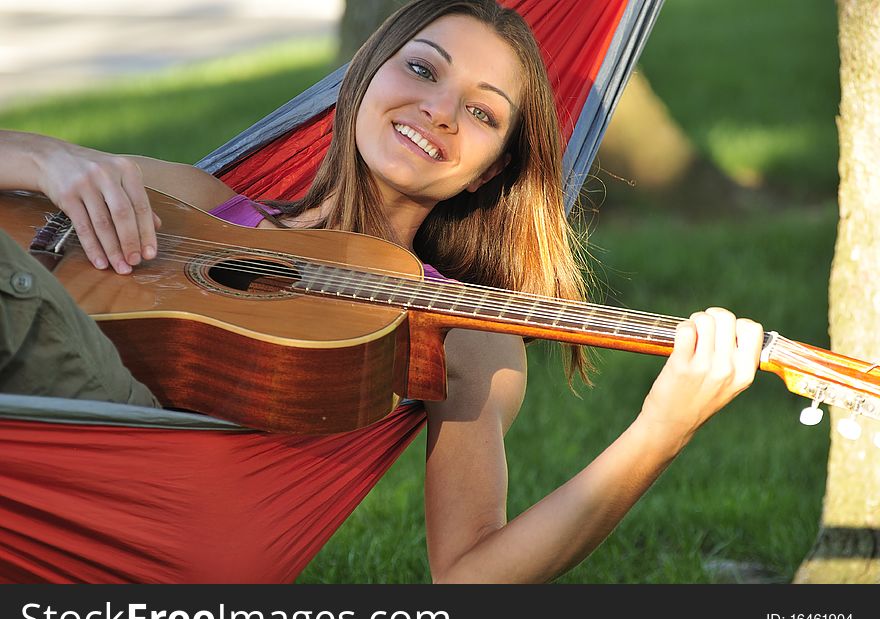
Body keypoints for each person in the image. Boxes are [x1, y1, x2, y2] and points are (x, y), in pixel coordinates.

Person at [0, 0, 763, 583]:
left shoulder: (454, 326)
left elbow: (467, 576)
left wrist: (660, 430)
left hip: (143, 498)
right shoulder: (202, 201)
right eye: (424, 69)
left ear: (491, 168)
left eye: (483, 112)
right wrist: (48, 159)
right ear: (363, 74)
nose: (439, 110)